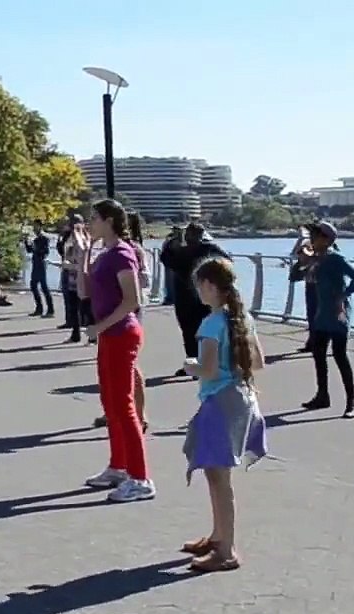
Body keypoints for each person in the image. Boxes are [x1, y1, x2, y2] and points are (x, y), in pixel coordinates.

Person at [181, 256, 268, 573]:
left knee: (218, 477)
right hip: (243, 397)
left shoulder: (211, 324)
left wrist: (189, 366)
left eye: (199, 286)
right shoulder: (244, 318)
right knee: (216, 473)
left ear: (209, 286)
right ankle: (218, 536)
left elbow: (207, 368)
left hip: (220, 401)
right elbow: (258, 362)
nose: (198, 292)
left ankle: (227, 550)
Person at [80, 199, 153, 502]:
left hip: (122, 334)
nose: (90, 223)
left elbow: (132, 300)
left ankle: (141, 478)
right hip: (108, 334)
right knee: (109, 402)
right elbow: (83, 292)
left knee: (123, 406)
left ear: (109, 220)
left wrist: (100, 326)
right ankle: (118, 466)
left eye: (94, 218)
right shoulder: (103, 254)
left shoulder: (123, 253)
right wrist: (85, 251)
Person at [300, 221, 354, 418]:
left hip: (337, 313)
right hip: (321, 313)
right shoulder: (317, 259)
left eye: (315, 236)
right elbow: (299, 274)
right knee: (318, 355)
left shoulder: (336, 259)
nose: (311, 239)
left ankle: (351, 402)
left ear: (326, 239)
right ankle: (322, 395)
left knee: (340, 356)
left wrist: (343, 296)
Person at [161, 222, 230, 374]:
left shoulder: (182, 250)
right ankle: (200, 362)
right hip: (200, 295)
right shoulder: (208, 249)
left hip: (189, 296)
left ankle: (197, 362)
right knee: (200, 330)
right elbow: (227, 260)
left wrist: (173, 241)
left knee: (192, 329)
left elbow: (165, 257)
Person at [26, 220, 54, 317]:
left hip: (41, 264)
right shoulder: (35, 238)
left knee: (44, 287)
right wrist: (27, 241)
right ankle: (39, 308)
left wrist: (35, 248)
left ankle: (50, 309)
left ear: (40, 226)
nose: (34, 228)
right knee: (33, 285)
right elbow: (29, 250)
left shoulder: (44, 238)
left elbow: (45, 251)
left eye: (36, 226)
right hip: (35, 263)